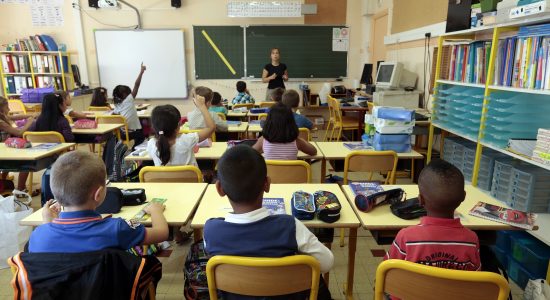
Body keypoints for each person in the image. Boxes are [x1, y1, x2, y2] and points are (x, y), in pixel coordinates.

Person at [203, 145, 333, 299]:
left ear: (219, 189)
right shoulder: (290, 226)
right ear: (267, 184)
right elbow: (327, 262)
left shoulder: (211, 230)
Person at [28, 151, 169, 253]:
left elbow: (50, 242)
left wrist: (47, 223)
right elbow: (162, 233)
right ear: (99, 194)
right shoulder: (117, 229)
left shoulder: (38, 235)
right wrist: (155, 211)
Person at [385, 159, 481, 271]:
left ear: (420, 200)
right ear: (463, 197)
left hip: (413, 289)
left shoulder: (406, 237)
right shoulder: (471, 240)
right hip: (455, 289)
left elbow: (387, 272)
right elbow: (475, 277)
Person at [147, 100, 215, 166]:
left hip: (162, 178)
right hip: (190, 178)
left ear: (154, 127)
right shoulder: (187, 140)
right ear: (179, 125)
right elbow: (211, 128)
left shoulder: (151, 144)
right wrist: (202, 106)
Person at [0, 97, 35, 190]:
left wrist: (29, 115)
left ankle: (3, 181)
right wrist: (29, 122)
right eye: (7, 107)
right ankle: (20, 189)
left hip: (3, 150)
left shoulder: (2, 117)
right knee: (27, 163)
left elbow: (15, 117)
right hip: (3, 153)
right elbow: (19, 133)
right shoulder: (1, 123)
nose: (9, 109)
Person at [113, 63, 146, 147]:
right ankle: (136, 149)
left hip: (120, 134)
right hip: (133, 133)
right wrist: (141, 72)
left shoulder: (116, 105)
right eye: (128, 92)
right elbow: (136, 85)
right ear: (124, 94)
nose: (130, 93)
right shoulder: (129, 100)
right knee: (142, 131)